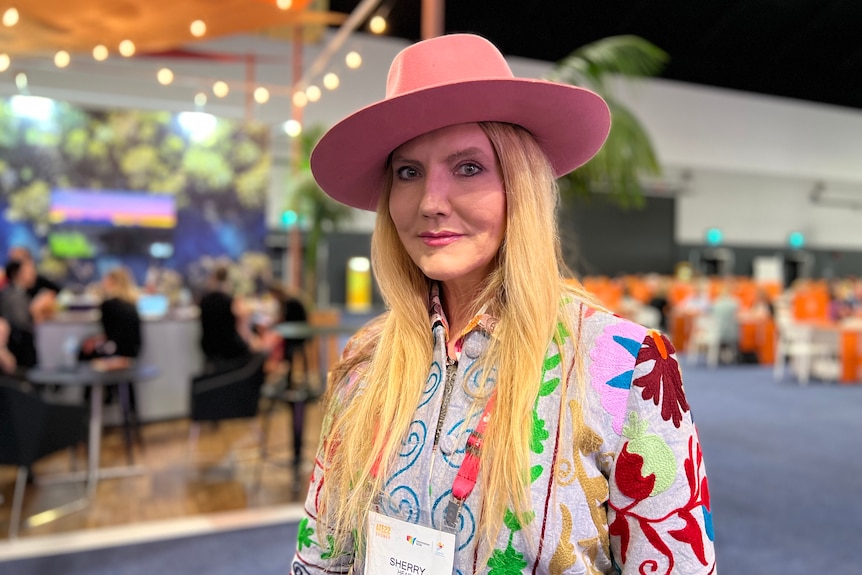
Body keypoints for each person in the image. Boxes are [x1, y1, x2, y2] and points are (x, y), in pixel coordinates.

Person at [292, 34, 715, 574]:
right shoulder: (367, 359)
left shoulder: (627, 365)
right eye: (407, 172)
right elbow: (319, 557)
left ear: (521, 185)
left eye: (468, 167)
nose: (430, 202)